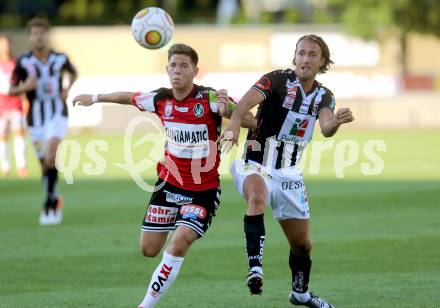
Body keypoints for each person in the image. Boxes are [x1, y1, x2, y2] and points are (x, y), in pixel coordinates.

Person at [73, 43, 256, 308]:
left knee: (179, 242)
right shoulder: (161, 99)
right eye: (173, 65)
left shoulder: (210, 98)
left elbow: (250, 120)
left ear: (195, 71)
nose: (177, 71)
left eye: (184, 66)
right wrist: (96, 97)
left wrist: (230, 111)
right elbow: (128, 96)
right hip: (168, 186)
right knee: (149, 249)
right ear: (166, 70)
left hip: (201, 191)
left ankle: (145, 305)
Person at [219, 34, 354, 307]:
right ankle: (255, 269)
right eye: (301, 53)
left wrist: (337, 121)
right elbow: (244, 104)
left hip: (289, 173)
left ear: (322, 61)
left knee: (302, 245)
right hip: (256, 162)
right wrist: (233, 126)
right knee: (257, 197)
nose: (305, 58)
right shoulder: (277, 80)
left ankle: (301, 293)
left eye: (312, 54)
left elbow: (326, 129)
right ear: (295, 57)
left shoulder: (324, 96)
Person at [8, 17, 77, 225]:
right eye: (35, 33)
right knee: (44, 164)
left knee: (51, 154)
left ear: (47, 35)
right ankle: (54, 193)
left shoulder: (60, 58)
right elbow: (11, 90)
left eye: (42, 33)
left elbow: (73, 72)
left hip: (57, 113)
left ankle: (49, 203)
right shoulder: (23, 62)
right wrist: (25, 87)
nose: (39, 37)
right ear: (30, 37)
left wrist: (67, 88)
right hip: (35, 119)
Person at [0, 35, 28, 178]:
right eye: (3, 44)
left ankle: (21, 166)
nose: (6, 47)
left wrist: (25, 100)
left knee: (19, 134)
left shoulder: (17, 63)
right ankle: (5, 167)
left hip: (15, 105)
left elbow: (23, 84)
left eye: (8, 44)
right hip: (1, 106)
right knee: (2, 137)